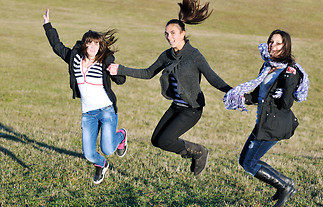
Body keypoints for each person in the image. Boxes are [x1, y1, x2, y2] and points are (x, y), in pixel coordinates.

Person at [108, 0, 232, 176]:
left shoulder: (194, 55)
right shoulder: (167, 55)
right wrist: (120, 69)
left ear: (183, 33)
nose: (169, 37)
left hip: (191, 109)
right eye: (166, 34)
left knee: (166, 140)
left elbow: (213, 78)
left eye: (173, 33)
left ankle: (198, 152)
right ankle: (193, 152)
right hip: (176, 107)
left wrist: (234, 92)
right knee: (157, 140)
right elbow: (148, 72)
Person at [223, 29, 309, 207]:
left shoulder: (290, 71)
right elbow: (257, 95)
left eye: (278, 43)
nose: (272, 46)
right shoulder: (268, 65)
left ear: (286, 46)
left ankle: (285, 186)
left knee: (248, 162)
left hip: (274, 124)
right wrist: (239, 96)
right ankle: (286, 183)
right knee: (245, 160)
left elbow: (286, 103)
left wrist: (286, 85)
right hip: (264, 121)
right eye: (271, 42)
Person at [42, 9, 128, 184]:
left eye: (97, 44)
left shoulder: (105, 61)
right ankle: (101, 164)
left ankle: (122, 136)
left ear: (100, 46)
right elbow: (57, 47)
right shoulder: (74, 58)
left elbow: (121, 80)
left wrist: (116, 72)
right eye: (90, 44)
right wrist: (47, 26)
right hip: (88, 114)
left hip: (106, 110)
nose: (94, 47)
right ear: (84, 45)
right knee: (89, 154)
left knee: (108, 148)